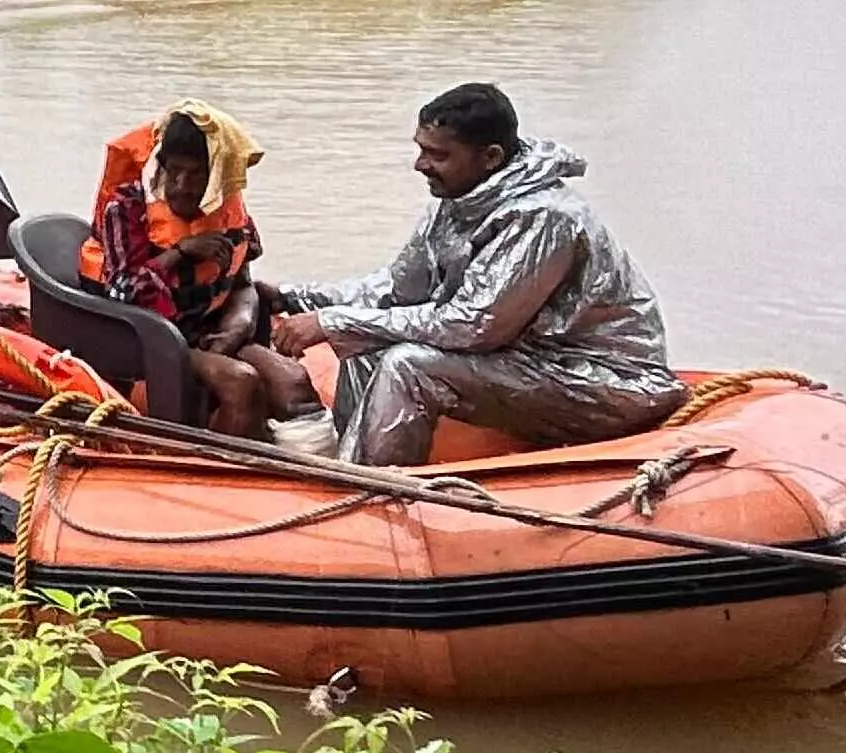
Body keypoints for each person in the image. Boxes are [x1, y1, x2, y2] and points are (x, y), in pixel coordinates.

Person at [268, 83, 682, 467]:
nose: (420, 165)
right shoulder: (457, 199)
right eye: (421, 150)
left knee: (409, 363)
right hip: (526, 360)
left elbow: (474, 325)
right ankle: (348, 460)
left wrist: (332, 322)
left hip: (601, 380)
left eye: (438, 155)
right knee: (367, 345)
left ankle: (369, 490)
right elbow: (396, 290)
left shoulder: (543, 217)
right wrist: (292, 298)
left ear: (491, 158)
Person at [87, 103, 316, 438]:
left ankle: (307, 468)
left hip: (207, 331)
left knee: (295, 385)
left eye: (196, 175)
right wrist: (180, 253)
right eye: (174, 171)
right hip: (149, 338)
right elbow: (121, 293)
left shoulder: (227, 209)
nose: (182, 185)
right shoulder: (125, 208)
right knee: (242, 382)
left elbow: (242, 283)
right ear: (162, 166)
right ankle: (234, 472)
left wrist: (235, 330)